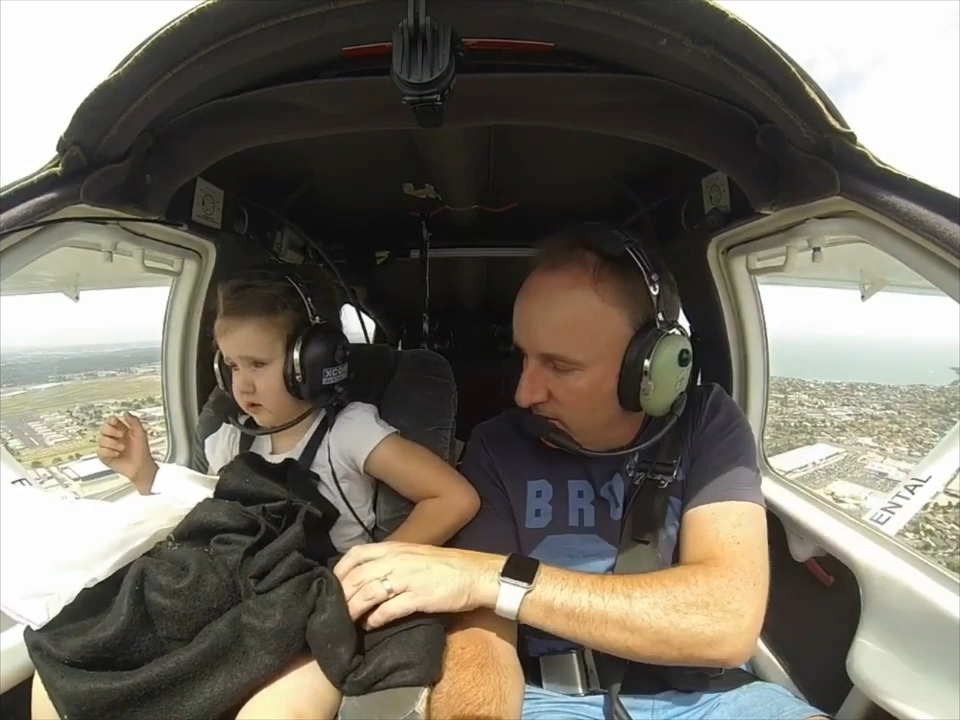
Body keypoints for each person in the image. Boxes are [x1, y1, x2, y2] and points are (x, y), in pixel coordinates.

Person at [332, 224, 830, 720]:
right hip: (551, 698)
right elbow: (482, 634)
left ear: (649, 370)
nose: (525, 393)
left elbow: (723, 621)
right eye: (523, 356)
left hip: (715, 699)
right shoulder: (498, 444)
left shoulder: (709, 424)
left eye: (560, 366)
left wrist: (489, 576)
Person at [30, 266, 481, 720]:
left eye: (258, 365)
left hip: (319, 598)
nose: (241, 384)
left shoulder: (350, 431)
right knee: (68, 664)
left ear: (313, 361)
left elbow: (453, 498)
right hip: (240, 591)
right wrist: (144, 473)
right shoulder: (229, 440)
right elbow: (211, 511)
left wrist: (371, 567)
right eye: (231, 365)